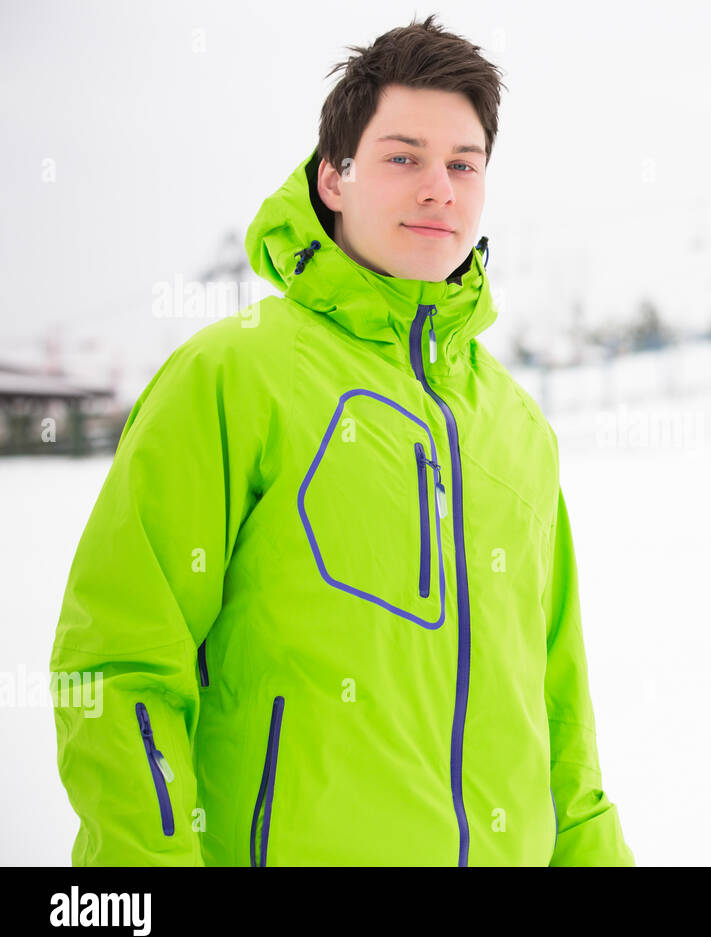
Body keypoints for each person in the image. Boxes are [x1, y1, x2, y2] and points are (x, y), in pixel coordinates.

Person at [48, 15, 634, 867]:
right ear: (333, 178)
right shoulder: (233, 375)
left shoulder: (517, 427)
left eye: (463, 165)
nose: (439, 188)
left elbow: (561, 716)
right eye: (403, 158)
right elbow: (119, 669)